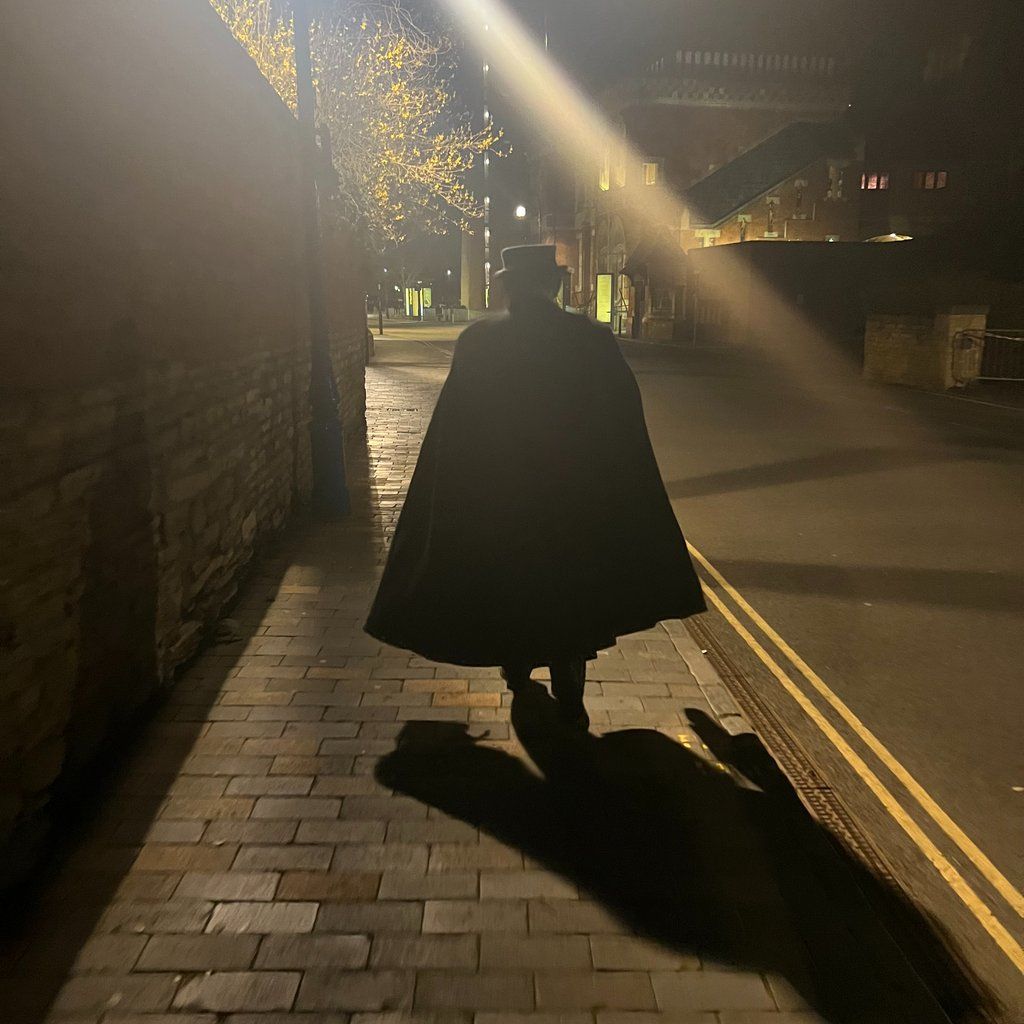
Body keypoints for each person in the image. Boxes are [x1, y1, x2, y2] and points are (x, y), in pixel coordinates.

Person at [364, 245, 705, 729]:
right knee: (568, 592)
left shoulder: (479, 341)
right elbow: (621, 423)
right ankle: (570, 696)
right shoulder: (591, 339)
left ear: (508, 287)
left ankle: (518, 669)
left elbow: (454, 432)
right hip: (572, 498)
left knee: (514, 584)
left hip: (504, 496)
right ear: (555, 285)